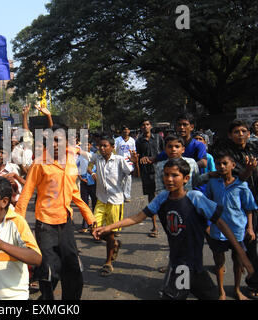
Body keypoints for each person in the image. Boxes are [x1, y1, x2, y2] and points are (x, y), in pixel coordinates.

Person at [92, 158, 254, 300]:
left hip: (196, 266)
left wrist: (243, 256)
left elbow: (221, 223)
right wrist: (109, 227)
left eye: (174, 175)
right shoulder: (162, 198)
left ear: (186, 179)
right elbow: (137, 217)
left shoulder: (195, 198)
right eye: (166, 174)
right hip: (181, 266)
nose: (169, 179)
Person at [15, 124, 96, 300]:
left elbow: (74, 193)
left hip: (66, 223)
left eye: (58, 141)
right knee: (49, 271)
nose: (54, 145)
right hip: (45, 224)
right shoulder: (39, 164)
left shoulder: (71, 160)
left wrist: (90, 219)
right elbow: (26, 193)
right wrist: (17, 225)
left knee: (73, 270)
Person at [212, 119, 258, 298]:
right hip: (235, 203)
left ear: (249, 133)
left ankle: (252, 284)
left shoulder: (254, 149)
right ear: (230, 134)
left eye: (244, 131)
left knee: (251, 243)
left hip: (252, 201)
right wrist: (247, 171)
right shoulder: (226, 153)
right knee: (231, 250)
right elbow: (236, 178)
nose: (241, 134)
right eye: (237, 131)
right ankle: (224, 288)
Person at [83, 134, 139, 275]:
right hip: (101, 200)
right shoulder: (97, 158)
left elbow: (133, 173)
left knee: (109, 232)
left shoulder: (119, 160)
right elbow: (84, 154)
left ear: (112, 148)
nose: (101, 148)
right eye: (99, 146)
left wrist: (135, 162)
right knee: (94, 229)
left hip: (115, 202)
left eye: (105, 146)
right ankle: (114, 245)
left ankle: (108, 263)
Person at [136, 119, 164, 237]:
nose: (145, 127)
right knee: (151, 199)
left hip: (160, 171)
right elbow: (138, 157)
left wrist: (155, 159)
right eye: (143, 125)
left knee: (164, 197)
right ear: (141, 127)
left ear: (151, 126)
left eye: (147, 124)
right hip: (147, 173)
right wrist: (139, 160)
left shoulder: (158, 138)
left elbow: (164, 153)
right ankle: (154, 226)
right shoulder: (139, 141)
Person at [76, 141, 97, 233]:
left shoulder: (95, 155)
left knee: (95, 204)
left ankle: (95, 225)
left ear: (90, 145)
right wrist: (80, 178)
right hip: (84, 182)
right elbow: (76, 167)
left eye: (87, 144)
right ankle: (85, 225)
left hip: (94, 183)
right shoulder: (80, 156)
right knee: (84, 205)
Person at [115, 125, 137, 202]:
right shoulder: (117, 140)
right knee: (119, 179)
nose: (126, 131)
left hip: (129, 162)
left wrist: (133, 159)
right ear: (122, 131)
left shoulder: (132, 140)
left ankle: (127, 195)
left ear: (129, 131)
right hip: (119, 161)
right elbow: (114, 151)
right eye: (124, 130)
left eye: (127, 130)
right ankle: (119, 195)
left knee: (128, 179)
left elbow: (134, 151)